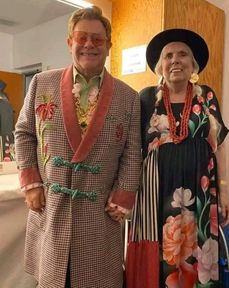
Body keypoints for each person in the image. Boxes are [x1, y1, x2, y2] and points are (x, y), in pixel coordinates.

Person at [14, 6, 141, 288]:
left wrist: (124, 195)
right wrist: (31, 182)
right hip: (51, 206)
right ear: (70, 41)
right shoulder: (41, 83)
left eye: (97, 39)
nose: (88, 45)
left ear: (109, 45)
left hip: (99, 213)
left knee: (97, 280)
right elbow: (24, 133)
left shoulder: (128, 97)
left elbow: (133, 152)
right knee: (54, 279)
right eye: (81, 37)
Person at [129, 28, 229, 287]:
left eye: (183, 54)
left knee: (199, 258)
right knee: (160, 259)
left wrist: (224, 190)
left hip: (200, 191)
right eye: (169, 56)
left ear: (193, 64)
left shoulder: (206, 96)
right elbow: (131, 150)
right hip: (157, 193)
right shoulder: (145, 99)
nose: (175, 60)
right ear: (160, 66)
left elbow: (218, 145)